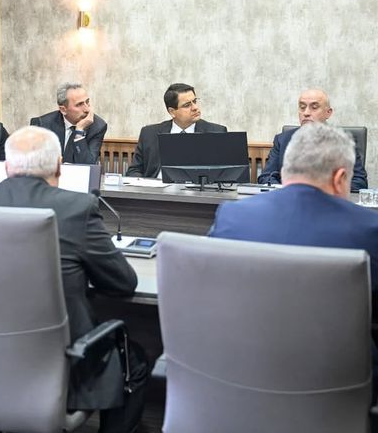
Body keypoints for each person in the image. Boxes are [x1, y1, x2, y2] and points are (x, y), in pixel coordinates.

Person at [0, 126, 148, 433]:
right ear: (59, 166)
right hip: (62, 363)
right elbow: (122, 283)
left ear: (7, 167)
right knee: (135, 359)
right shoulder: (77, 207)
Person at [209, 122, 378, 404]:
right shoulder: (370, 229)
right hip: (337, 394)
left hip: (236, 384)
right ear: (340, 178)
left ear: (286, 169)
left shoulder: (232, 216)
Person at [258, 88, 368, 191]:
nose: (306, 113)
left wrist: (318, 191)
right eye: (302, 107)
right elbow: (265, 177)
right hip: (289, 199)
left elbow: (359, 182)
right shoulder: (282, 140)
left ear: (328, 113)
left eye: (314, 107)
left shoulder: (343, 142)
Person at [126, 83, 227, 178]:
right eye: (187, 105)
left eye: (195, 101)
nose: (195, 108)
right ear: (172, 112)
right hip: (157, 188)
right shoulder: (149, 134)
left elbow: (223, 174)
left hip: (196, 189)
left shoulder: (216, 132)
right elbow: (134, 171)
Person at [30, 82, 107, 165]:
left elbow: (88, 166)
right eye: (79, 104)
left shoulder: (97, 127)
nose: (87, 109)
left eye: (87, 102)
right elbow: (33, 163)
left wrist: (79, 132)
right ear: (63, 110)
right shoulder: (43, 125)